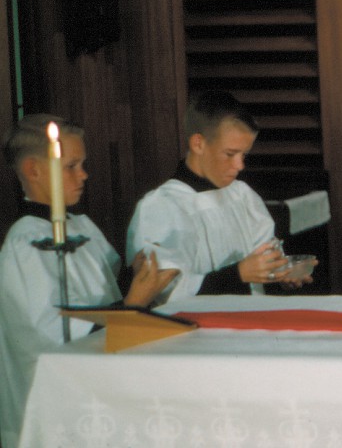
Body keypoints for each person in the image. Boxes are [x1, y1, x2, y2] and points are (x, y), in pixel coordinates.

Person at [0, 115, 176, 448]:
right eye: (72, 166)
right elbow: (51, 335)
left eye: (83, 164)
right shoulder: (25, 243)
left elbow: (105, 290)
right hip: (54, 401)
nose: (84, 175)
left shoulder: (81, 225)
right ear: (34, 170)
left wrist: (133, 277)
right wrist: (133, 304)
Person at [127, 90, 313, 303]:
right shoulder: (159, 206)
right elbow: (162, 294)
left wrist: (279, 274)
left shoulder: (242, 195)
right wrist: (238, 274)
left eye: (244, 155)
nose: (240, 166)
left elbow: (261, 264)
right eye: (230, 154)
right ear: (198, 144)